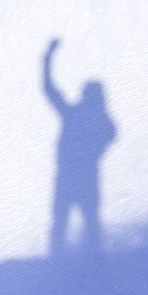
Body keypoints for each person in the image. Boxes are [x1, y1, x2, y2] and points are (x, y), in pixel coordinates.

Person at [43, 38, 117, 254]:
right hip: (71, 178)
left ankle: (91, 266)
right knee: (65, 225)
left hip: (81, 179)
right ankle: (63, 267)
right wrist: (47, 59)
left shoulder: (94, 118)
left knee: (87, 225)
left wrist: (95, 151)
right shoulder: (75, 114)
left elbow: (111, 136)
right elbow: (49, 90)